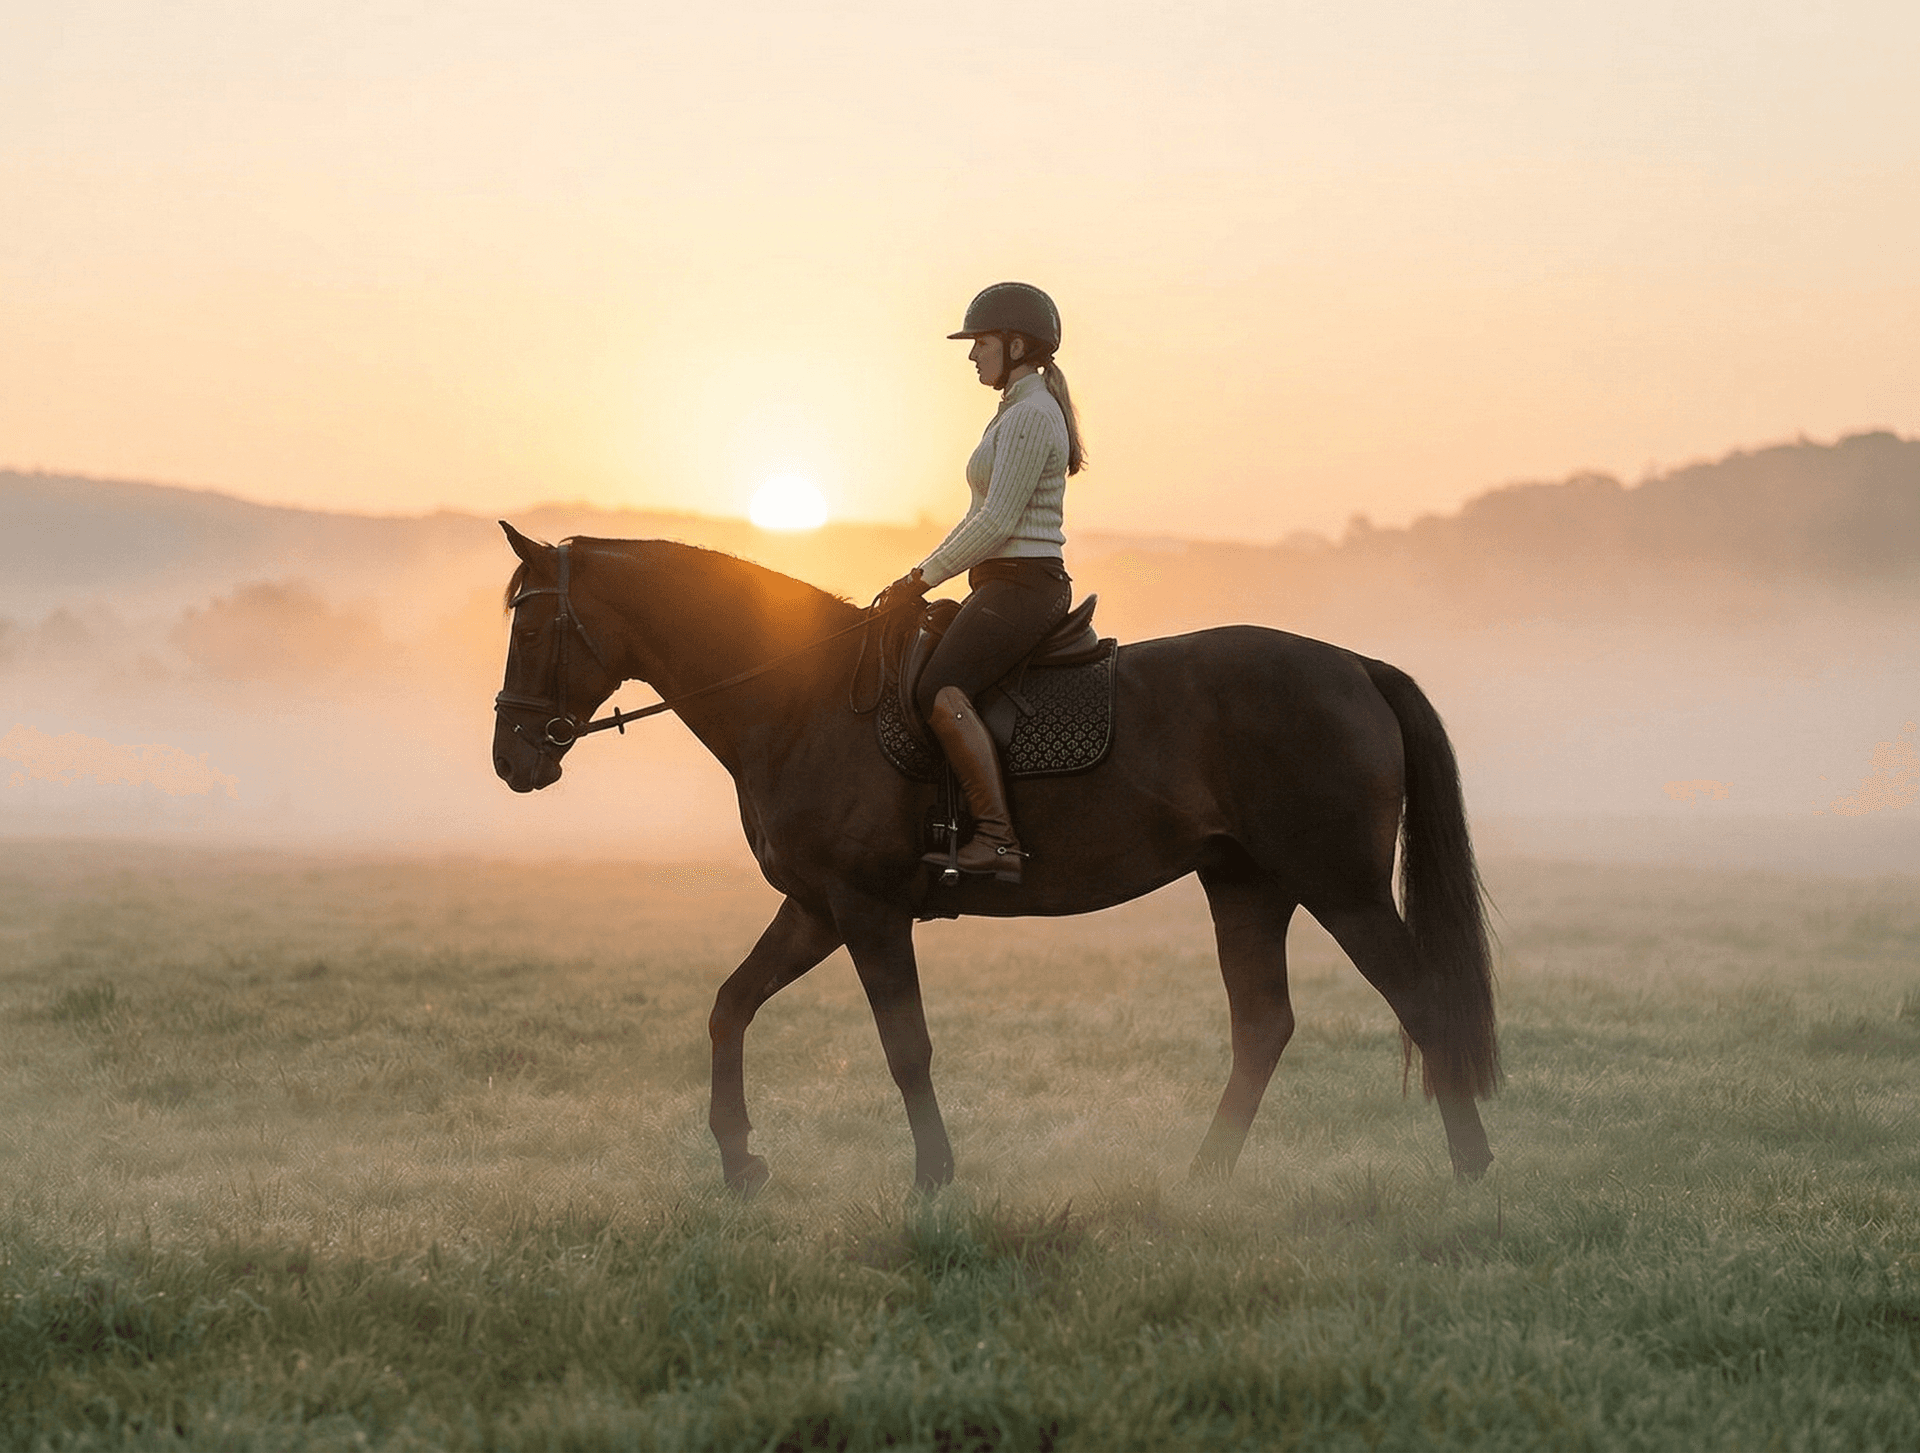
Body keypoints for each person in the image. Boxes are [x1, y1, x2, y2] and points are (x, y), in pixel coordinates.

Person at [874, 281, 1087, 885]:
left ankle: (996, 839)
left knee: (939, 690)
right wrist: (918, 576)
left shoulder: (1030, 416)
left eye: (981, 343)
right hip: (1002, 583)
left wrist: (919, 580)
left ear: (1017, 346)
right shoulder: (1016, 411)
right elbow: (977, 518)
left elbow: (996, 523)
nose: (972, 355)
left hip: (1024, 585)